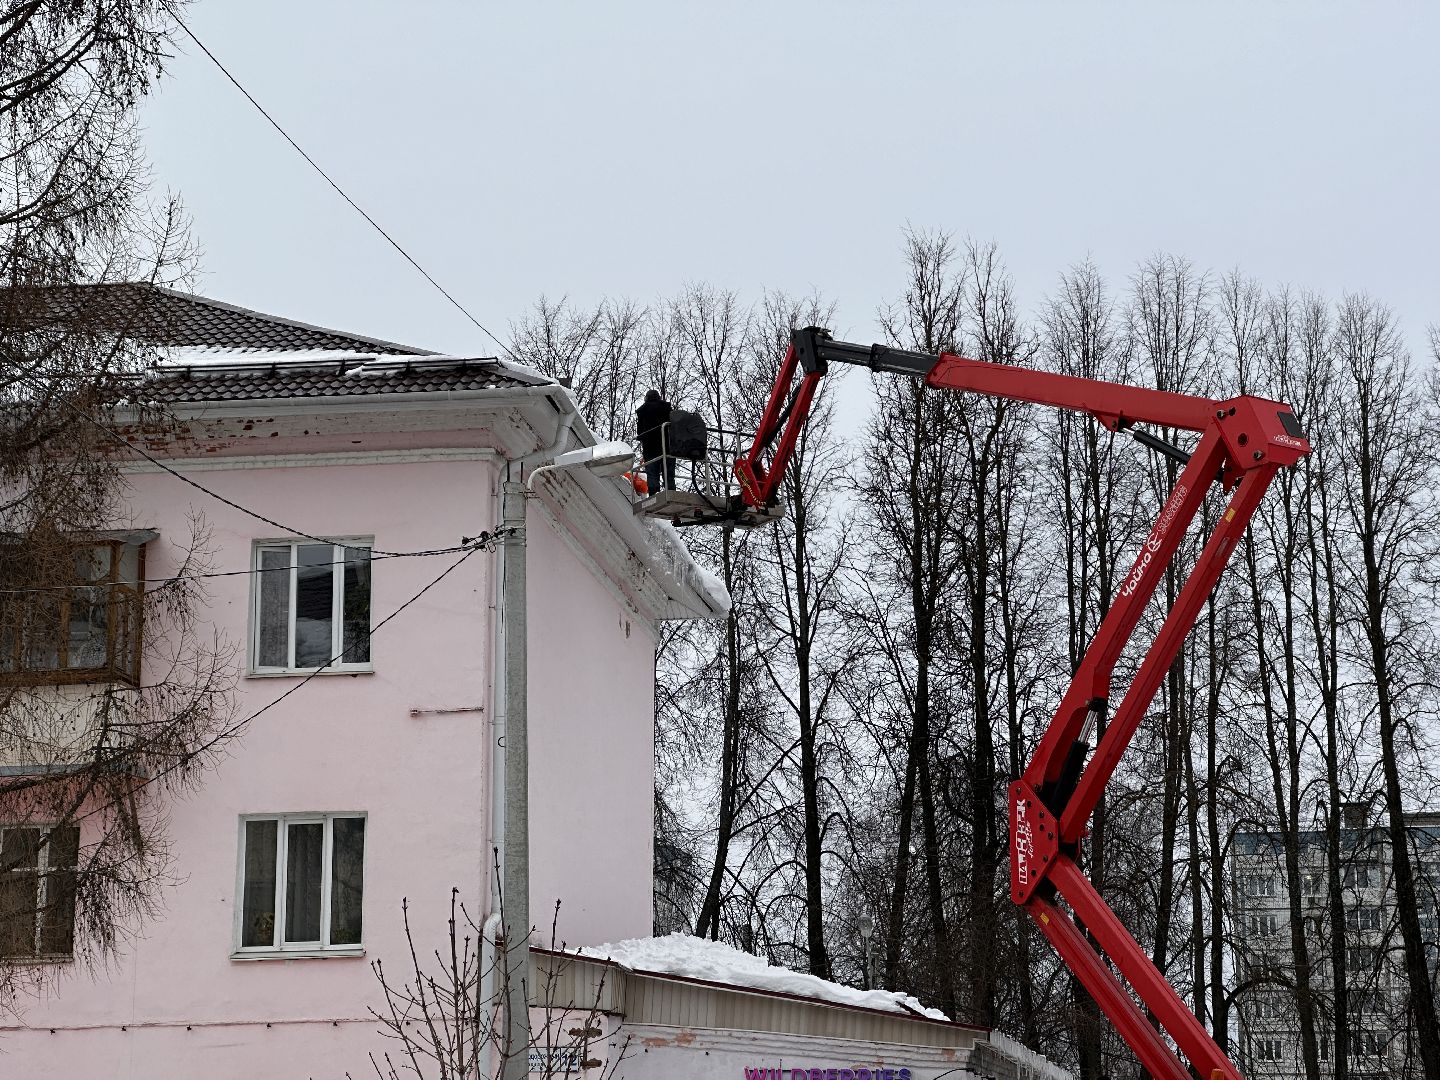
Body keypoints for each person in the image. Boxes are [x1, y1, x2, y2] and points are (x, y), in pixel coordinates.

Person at [636, 389, 676, 492]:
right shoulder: (666, 408)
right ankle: (671, 491)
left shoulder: (643, 411)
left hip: (650, 449)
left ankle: (654, 495)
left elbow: (640, 432)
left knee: (652, 474)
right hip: (667, 446)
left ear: (647, 398)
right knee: (669, 475)